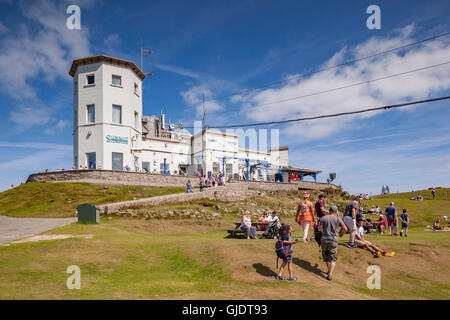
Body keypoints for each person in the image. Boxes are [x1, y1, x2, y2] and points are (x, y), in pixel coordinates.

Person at [318, 205, 347, 281]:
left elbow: (319, 229)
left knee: (326, 256)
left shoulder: (324, 218)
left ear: (330, 210)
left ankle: (329, 270)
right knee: (333, 258)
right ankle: (330, 273)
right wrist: (341, 234)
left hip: (324, 239)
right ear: (336, 211)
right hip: (334, 240)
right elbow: (345, 229)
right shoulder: (338, 219)